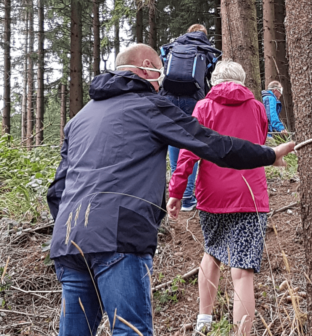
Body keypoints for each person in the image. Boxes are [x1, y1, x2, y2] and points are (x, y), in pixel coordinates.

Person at [47, 44, 294, 336]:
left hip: (69, 239)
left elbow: (56, 190)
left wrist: (72, 225)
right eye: (159, 73)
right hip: (120, 236)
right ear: (147, 66)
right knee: (130, 330)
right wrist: (268, 155)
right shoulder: (149, 106)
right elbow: (211, 143)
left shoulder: (79, 120)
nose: (161, 81)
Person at [167, 60, 271, 336]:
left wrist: (177, 192)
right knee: (243, 271)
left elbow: (189, 152)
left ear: (214, 81)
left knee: (212, 253)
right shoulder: (257, 107)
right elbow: (260, 142)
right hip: (251, 193)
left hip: (212, 194)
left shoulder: (203, 107)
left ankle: (204, 319)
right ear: (242, 80)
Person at [159, 24, 220, 212]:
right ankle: (186, 198)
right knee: (191, 144)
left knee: (173, 140)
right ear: (204, 35)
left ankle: (173, 193)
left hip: (168, 98)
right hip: (193, 99)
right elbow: (209, 76)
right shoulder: (207, 50)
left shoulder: (172, 47)